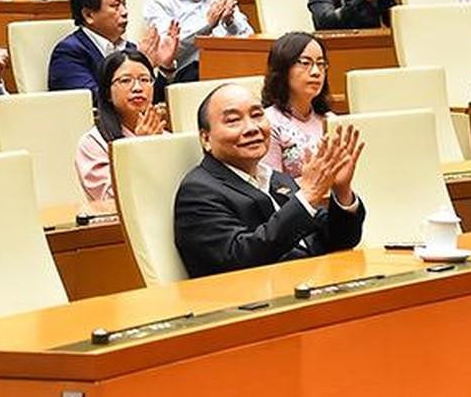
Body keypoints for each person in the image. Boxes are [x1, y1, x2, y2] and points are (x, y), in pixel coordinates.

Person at [173, 83, 364, 279]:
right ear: (205, 139)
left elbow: (341, 240)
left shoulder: (276, 178)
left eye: (257, 115)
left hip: (315, 284)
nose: (252, 128)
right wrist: (306, 197)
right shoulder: (198, 191)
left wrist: (342, 191)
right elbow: (240, 258)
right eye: (233, 120)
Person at [49, 0, 177, 96]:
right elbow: (92, 100)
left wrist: (165, 68)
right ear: (88, 15)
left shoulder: (130, 49)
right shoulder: (70, 52)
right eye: (115, 6)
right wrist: (138, 69)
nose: (124, 12)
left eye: (124, 4)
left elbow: (153, 100)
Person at [75, 49, 166, 201]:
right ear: (107, 93)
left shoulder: (165, 136)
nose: (137, 88)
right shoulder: (93, 143)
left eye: (145, 80)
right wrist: (141, 148)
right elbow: (110, 198)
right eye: (125, 80)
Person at [258, 32, 333, 177]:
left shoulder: (332, 120)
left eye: (321, 64)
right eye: (305, 63)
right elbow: (273, 187)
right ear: (283, 68)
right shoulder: (268, 123)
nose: (316, 72)